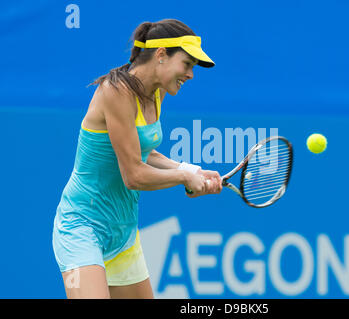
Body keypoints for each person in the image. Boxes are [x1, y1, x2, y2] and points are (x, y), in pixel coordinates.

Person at [52, 19, 222, 299]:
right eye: (187, 64)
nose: (191, 74)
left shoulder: (157, 93)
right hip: (82, 228)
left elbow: (141, 151)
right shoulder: (115, 92)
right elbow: (133, 174)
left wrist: (188, 169)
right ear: (161, 55)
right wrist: (183, 178)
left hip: (123, 233)